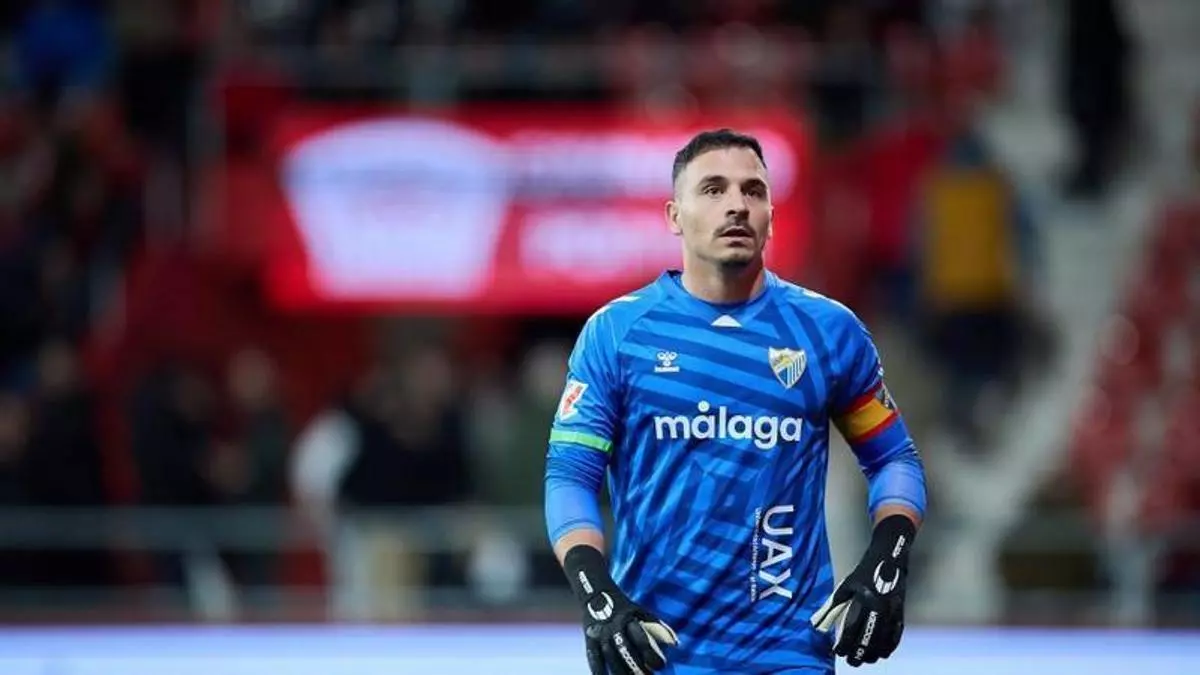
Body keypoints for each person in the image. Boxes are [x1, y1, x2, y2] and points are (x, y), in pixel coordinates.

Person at [543, 129, 928, 673]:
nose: (737, 205)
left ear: (772, 214)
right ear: (674, 215)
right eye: (713, 189)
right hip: (657, 651)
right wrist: (595, 592)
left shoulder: (828, 333)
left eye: (753, 191)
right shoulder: (617, 334)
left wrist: (887, 560)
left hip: (788, 653)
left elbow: (893, 459)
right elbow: (570, 474)